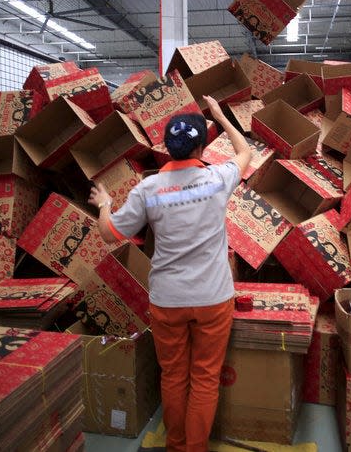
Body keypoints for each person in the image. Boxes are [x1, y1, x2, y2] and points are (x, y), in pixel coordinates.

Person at [88, 96, 251, 452]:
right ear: (201, 145)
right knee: (205, 379)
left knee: (174, 377)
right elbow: (245, 153)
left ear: (167, 147)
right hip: (213, 298)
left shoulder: (149, 190)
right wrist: (222, 117)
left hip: (168, 301)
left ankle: (176, 447)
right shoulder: (217, 179)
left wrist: (104, 205)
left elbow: (109, 234)